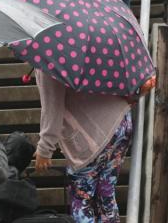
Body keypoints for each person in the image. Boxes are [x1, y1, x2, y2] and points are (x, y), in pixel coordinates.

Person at [35, 69, 132, 222]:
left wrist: (45, 148)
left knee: (82, 200)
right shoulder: (87, 46)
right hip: (119, 122)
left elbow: (53, 107)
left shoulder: (47, 59)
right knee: (106, 194)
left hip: (91, 138)